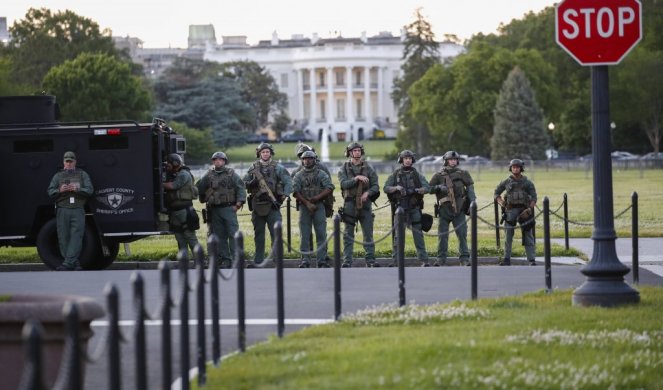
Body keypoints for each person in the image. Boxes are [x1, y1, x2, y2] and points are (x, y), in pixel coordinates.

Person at [243, 142, 293, 266]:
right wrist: (252, 182)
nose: (265, 154)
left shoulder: (278, 168)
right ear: (259, 154)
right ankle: (258, 260)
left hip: (273, 205)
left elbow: (288, 182)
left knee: (276, 234)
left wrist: (285, 195)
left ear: (271, 153)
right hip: (257, 205)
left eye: (267, 152)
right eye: (263, 152)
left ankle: (278, 259)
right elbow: (243, 182)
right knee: (258, 235)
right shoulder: (253, 168)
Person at [196, 151, 246, 268]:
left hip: (229, 208)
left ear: (224, 161)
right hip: (214, 210)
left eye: (220, 159)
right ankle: (226, 260)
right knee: (220, 236)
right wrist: (204, 197)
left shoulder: (231, 173)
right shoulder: (209, 175)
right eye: (215, 160)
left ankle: (236, 259)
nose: (218, 161)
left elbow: (240, 188)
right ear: (213, 161)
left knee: (233, 234)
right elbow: (199, 187)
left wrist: (238, 204)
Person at [47, 151, 94, 271]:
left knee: (76, 236)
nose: (68, 164)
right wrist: (59, 190)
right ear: (63, 162)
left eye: (71, 161)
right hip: (63, 209)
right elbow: (50, 191)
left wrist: (78, 189)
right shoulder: (57, 176)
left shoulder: (82, 174)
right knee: (64, 237)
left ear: (75, 162)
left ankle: (67, 263)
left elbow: (89, 190)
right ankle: (75, 262)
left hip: (78, 209)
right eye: (66, 161)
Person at [428, 151, 476, 266]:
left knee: (462, 235)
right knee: (442, 236)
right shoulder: (438, 175)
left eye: (455, 159)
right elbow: (428, 189)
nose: (453, 161)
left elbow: (470, 189)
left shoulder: (463, 173)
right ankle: (440, 259)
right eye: (451, 159)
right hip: (444, 210)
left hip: (459, 209)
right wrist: (439, 188)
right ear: (446, 161)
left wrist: (472, 203)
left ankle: (464, 259)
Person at [384, 150, 431, 266]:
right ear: (401, 160)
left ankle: (424, 260)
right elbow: (386, 188)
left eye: (410, 158)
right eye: (405, 158)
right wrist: (396, 188)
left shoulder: (417, 174)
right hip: (400, 209)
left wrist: (416, 190)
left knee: (418, 236)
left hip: (414, 208)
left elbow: (427, 187)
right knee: (398, 238)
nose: (408, 160)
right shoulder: (395, 174)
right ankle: (396, 261)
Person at [338, 142, 380, 267]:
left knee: (368, 233)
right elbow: (343, 184)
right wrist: (356, 179)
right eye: (354, 151)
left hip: (365, 204)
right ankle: (347, 261)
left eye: (359, 150)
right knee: (348, 234)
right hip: (350, 204)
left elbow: (376, 186)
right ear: (350, 153)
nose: (357, 153)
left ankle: (370, 260)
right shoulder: (344, 168)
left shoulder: (369, 168)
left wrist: (368, 193)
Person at [292, 151, 335, 268]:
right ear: (302, 160)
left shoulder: (321, 173)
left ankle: (321, 260)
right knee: (304, 234)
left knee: (321, 233)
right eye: (305, 159)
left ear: (314, 159)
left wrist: (316, 198)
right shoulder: (299, 175)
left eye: (310, 158)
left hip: (319, 206)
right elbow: (295, 191)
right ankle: (305, 260)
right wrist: (306, 202)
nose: (307, 160)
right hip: (304, 207)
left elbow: (329, 187)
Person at [494, 158, 538, 266]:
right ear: (510, 168)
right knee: (508, 235)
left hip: (524, 211)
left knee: (528, 234)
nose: (515, 169)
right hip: (510, 211)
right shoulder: (506, 182)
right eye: (513, 167)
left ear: (521, 168)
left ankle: (531, 259)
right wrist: (502, 203)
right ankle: (506, 259)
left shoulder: (527, 183)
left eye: (517, 167)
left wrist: (529, 209)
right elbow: (496, 194)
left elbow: (534, 197)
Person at [162, 153, 201, 261]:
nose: (167, 167)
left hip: (184, 211)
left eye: (169, 165)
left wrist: (160, 183)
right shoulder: (177, 173)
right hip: (176, 211)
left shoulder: (183, 174)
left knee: (189, 236)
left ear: (175, 163)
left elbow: (173, 186)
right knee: (179, 236)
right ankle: (184, 261)